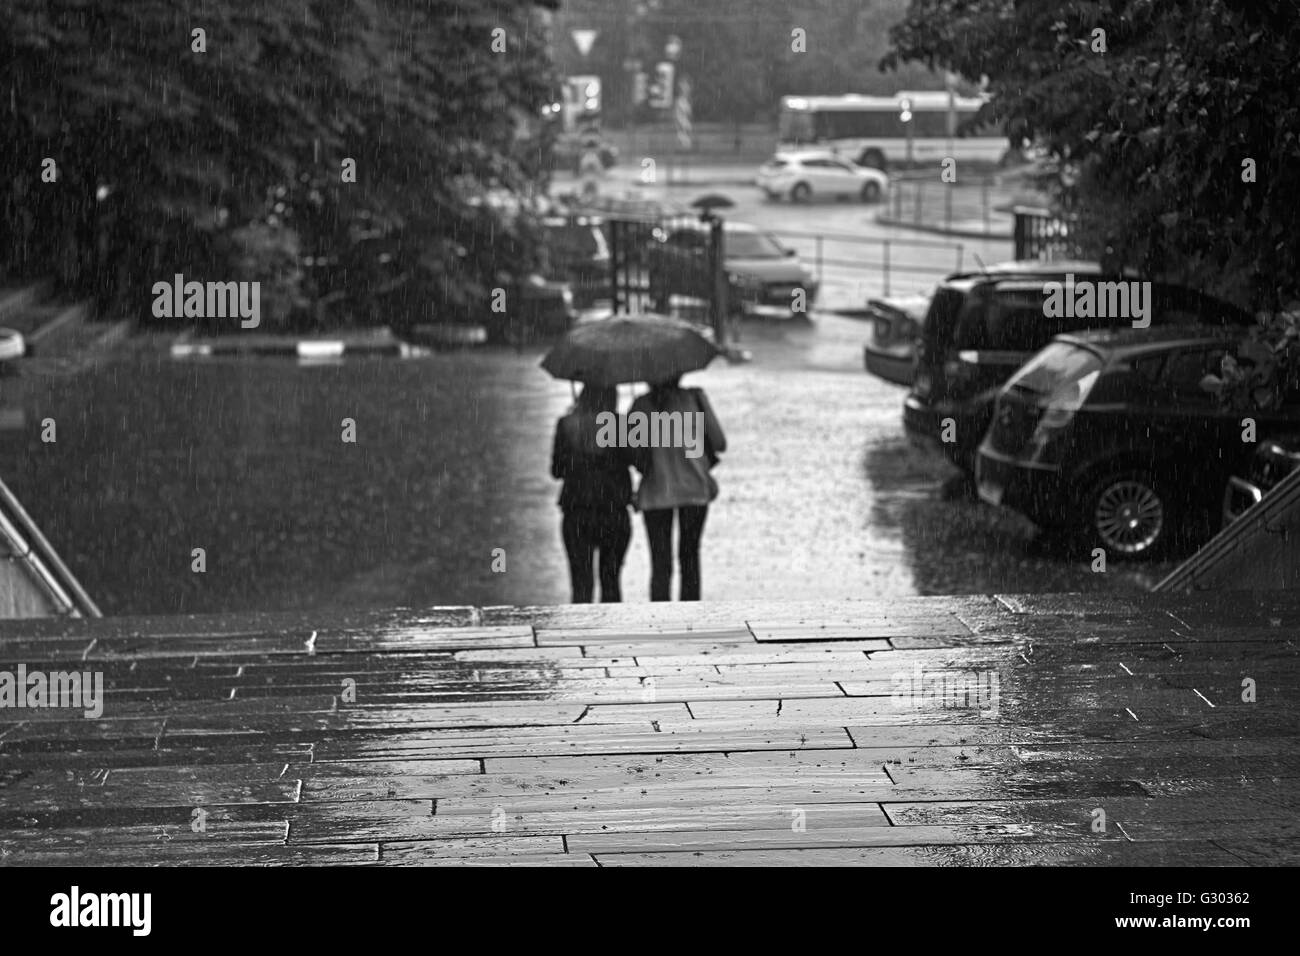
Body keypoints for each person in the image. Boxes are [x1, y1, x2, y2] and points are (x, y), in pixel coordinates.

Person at [630, 376, 726, 601]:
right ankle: (690, 621)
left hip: (655, 493)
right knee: (690, 557)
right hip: (694, 490)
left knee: (660, 563)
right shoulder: (695, 398)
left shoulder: (642, 406)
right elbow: (720, 443)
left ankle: (660, 621)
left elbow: (633, 455)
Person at [551, 383, 632, 603]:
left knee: (581, 585)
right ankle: (610, 635)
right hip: (613, 511)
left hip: (577, 511)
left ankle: (580, 635)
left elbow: (556, 470)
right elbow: (638, 460)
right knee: (611, 583)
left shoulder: (567, 425)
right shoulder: (621, 425)